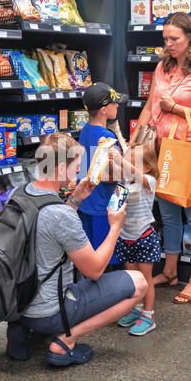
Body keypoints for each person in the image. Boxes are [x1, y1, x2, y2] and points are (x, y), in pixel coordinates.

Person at [6, 132, 148, 366]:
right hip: (50, 311)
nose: (79, 173)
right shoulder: (60, 215)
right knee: (139, 282)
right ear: (62, 168)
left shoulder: (22, 193)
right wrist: (115, 227)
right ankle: (67, 341)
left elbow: (48, 230)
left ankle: (21, 332)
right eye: (77, 167)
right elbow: (94, 271)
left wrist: (75, 200)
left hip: (19, 303)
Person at [129, 12, 191, 304]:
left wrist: (176, 109)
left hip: (189, 149)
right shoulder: (162, 67)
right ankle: (169, 272)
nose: (169, 44)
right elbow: (149, 106)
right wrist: (134, 142)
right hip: (161, 150)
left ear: (190, 37)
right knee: (167, 215)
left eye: (174, 39)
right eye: (165, 39)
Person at [113, 144, 161, 335]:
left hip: (144, 236)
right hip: (125, 236)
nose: (128, 166)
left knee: (146, 279)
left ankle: (149, 316)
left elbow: (134, 173)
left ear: (148, 167)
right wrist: (108, 157)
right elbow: (115, 169)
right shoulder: (125, 177)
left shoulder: (149, 180)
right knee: (133, 279)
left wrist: (120, 159)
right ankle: (138, 309)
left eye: (134, 163)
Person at [77, 82, 125, 264]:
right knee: (104, 259)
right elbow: (111, 174)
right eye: (114, 103)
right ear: (104, 110)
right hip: (103, 207)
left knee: (87, 257)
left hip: (86, 202)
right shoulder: (108, 137)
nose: (117, 105)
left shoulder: (85, 130)